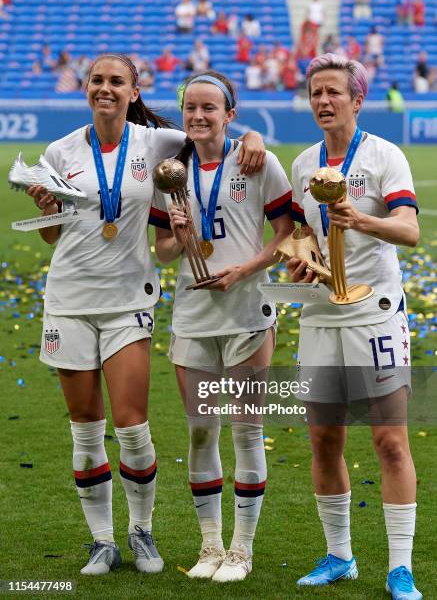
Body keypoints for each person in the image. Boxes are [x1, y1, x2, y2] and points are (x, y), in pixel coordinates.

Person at [24, 54, 265, 577]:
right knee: (85, 431)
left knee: (132, 426)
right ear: (86, 88)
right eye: (97, 81)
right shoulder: (59, 150)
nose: (104, 89)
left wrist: (252, 139)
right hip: (68, 299)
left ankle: (142, 531)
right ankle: (102, 541)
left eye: (116, 81)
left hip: (130, 299)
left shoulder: (153, 142)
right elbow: (51, 234)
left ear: (134, 91)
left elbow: (209, 129)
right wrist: (46, 208)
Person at [287, 53, 421, 600]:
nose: (323, 100)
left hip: (375, 312)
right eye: (316, 92)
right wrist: (301, 260)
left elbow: (410, 231)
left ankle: (399, 568)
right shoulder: (302, 165)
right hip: (320, 312)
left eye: (333, 92)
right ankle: (339, 555)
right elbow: (301, 235)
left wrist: (360, 219)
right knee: (324, 439)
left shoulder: (385, 156)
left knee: (390, 441)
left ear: (357, 100)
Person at [154, 71, 294, 583]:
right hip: (193, 315)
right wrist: (176, 235)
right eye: (191, 106)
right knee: (199, 432)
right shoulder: (169, 170)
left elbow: (286, 234)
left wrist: (245, 271)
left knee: (246, 431)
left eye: (210, 108)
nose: (198, 115)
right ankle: (210, 545)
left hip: (247, 314)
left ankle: (242, 549)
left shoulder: (258, 159)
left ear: (230, 115)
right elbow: (162, 252)